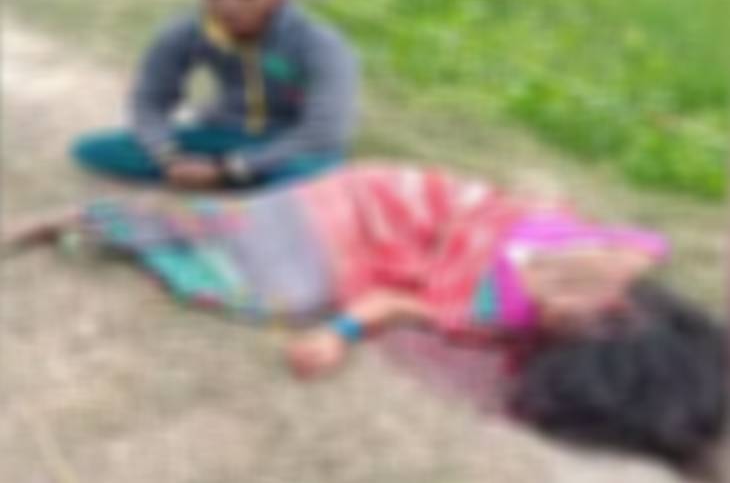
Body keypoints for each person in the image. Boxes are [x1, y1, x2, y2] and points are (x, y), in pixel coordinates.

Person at [4, 162, 727, 468]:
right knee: (268, 278)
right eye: (602, 309)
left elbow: (395, 303)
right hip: (375, 205)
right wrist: (336, 325)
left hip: (385, 231)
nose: (572, 309)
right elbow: (397, 296)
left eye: (581, 327)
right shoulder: (612, 254)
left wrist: (337, 334)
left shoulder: (502, 317)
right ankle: (91, 221)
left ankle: (126, 225)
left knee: (277, 285)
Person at [72, 0, 359, 190]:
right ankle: (241, 181)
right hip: (222, 133)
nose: (227, 5)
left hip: (287, 142)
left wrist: (230, 168)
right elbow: (149, 100)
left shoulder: (320, 43)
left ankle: (243, 178)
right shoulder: (188, 31)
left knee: (316, 175)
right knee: (94, 149)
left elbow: (324, 131)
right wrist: (167, 156)